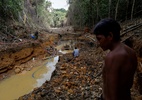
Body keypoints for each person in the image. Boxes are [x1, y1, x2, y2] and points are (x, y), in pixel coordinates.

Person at [93, 18, 137, 100]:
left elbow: (112, 95)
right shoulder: (131, 52)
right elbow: (129, 84)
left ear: (110, 36)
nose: (98, 43)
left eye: (99, 39)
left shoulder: (113, 57)